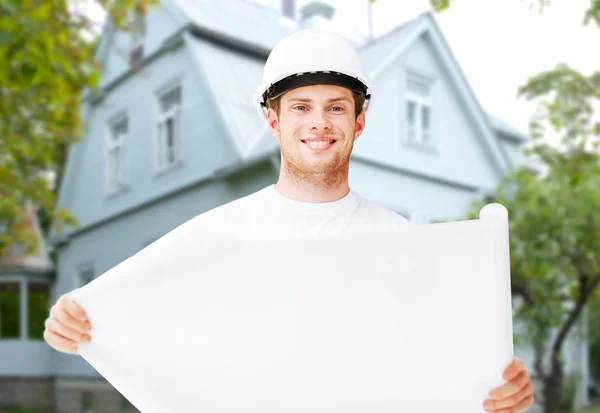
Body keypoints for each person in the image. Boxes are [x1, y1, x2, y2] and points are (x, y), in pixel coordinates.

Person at [43, 28, 534, 413]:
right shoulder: (216, 238)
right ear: (273, 120)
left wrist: (499, 388)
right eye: (301, 107)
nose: (319, 123)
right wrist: (77, 321)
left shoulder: (401, 246)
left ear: (358, 122)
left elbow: (445, 363)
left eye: (336, 108)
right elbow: (145, 316)